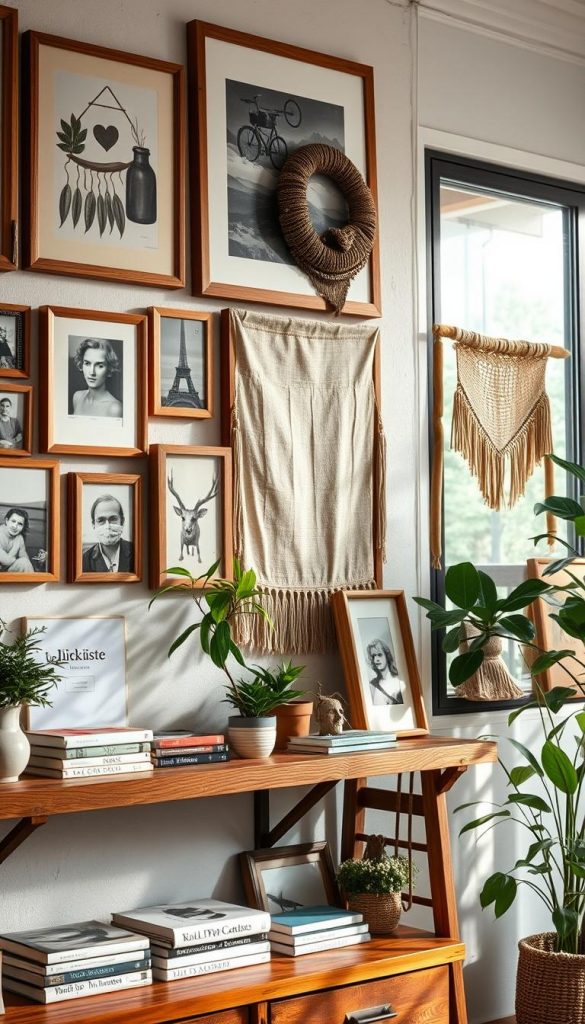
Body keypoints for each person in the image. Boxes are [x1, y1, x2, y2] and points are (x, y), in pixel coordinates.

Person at [82, 494, 134, 573]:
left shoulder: (137, 552)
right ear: (93, 524)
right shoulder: (84, 560)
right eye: (101, 520)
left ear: (122, 521)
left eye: (113, 519)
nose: (107, 526)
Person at [72, 338, 122, 418]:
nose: (92, 372)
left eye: (100, 366)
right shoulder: (77, 397)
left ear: (109, 369)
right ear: (81, 364)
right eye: (87, 363)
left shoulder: (115, 408)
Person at [366, 638, 404, 706]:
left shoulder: (399, 679)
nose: (376, 659)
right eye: (373, 656)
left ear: (387, 656)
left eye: (379, 655)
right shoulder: (372, 685)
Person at [0, 507, 34, 573]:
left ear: (23, 527)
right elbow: (6, 561)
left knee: (24, 562)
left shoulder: (19, 537)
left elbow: (25, 559)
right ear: (7, 521)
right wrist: (16, 546)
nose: (15, 526)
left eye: (20, 524)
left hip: (5, 572)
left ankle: (33, 582)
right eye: (13, 521)